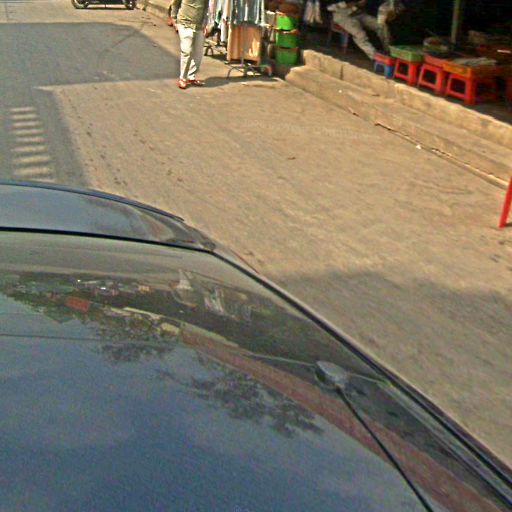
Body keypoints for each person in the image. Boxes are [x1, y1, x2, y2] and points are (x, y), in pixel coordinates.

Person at [169, 0, 209, 89]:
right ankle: (182, 78)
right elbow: (175, 4)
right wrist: (175, 21)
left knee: (198, 53)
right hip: (184, 24)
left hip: (199, 26)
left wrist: (205, 24)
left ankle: (191, 77)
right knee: (187, 51)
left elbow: (206, 8)